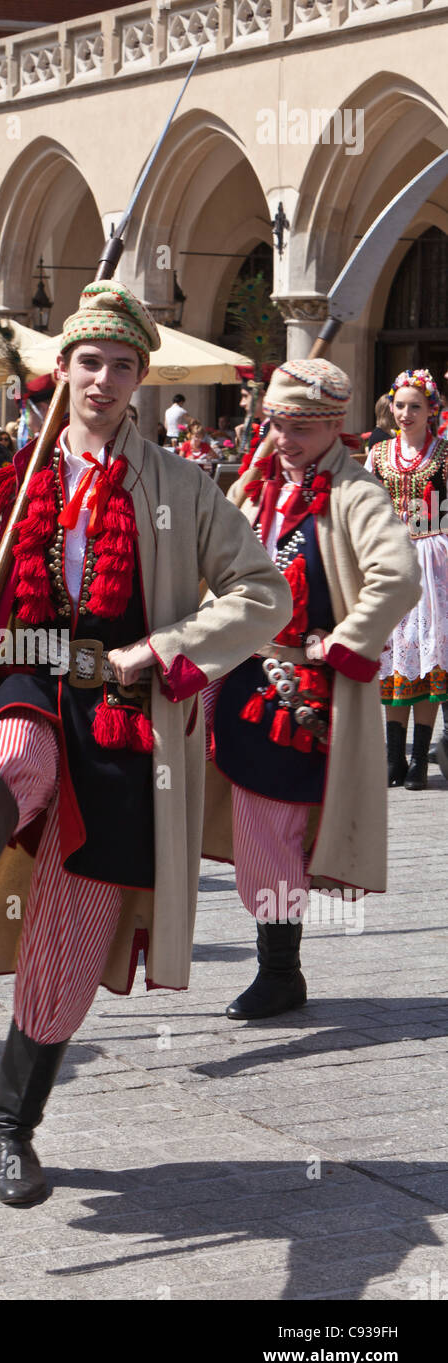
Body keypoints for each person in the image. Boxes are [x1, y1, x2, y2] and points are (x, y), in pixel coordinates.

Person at [0, 281, 291, 1206]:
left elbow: (266, 594)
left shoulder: (182, 486)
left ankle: (13, 1127)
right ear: (61, 371)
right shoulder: (16, 486)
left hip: (123, 717)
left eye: (122, 365)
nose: (102, 379)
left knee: (64, 949)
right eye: (88, 361)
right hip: (25, 673)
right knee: (11, 753)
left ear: (141, 379)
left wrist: (164, 650)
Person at [205, 359, 420, 1021]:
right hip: (240, 676)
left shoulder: (357, 495)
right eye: (277, 423)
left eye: (301, 427)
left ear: (335, 426)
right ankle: (277, 966)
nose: (285, 437)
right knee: (252, 825)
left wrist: (346, 642)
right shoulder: (257, 488)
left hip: (305, 694)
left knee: (276, 830)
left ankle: (279, 970)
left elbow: (398, 577)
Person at [365, 369, 448, 787]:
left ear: (431, 409)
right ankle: (394, 757)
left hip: (435, 559)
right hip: (391, 558)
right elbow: (364, 509)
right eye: (400, 405)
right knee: (395, 656)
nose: (406, 413)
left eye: (416, 406)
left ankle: (419, 760)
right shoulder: (379, 455)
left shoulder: (445, 454)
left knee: (426, 657)